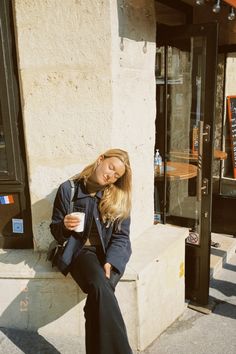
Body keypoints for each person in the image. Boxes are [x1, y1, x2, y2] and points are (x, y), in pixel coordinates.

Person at [50, 148, 133, 354]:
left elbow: (121, 237)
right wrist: (64, 226)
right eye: (111, 168)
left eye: (116, 176)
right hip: (80, 251)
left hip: (109, 256)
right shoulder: (68, 190)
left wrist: (112, 262)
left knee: (98, 298)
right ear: (100, 160)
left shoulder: (117, 197)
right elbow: (55, 230)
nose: (110, 176)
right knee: (100, 286)